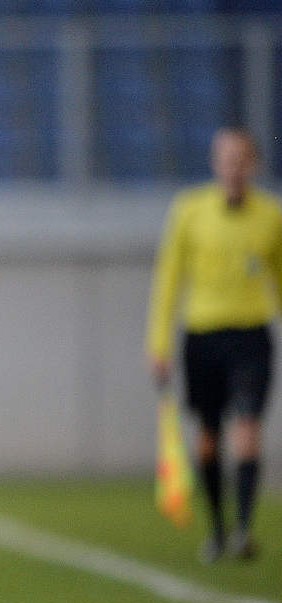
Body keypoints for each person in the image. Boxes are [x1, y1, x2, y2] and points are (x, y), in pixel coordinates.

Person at [146, 127, 282, 564]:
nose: (234, 165)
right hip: (203, 335)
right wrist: (159, 342)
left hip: (250, 335)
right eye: (226, 157)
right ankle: (218, 529)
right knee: (208, 436)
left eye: (242, 157)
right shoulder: (190, 210)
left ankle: (243, 528)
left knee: (247, 426)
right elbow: (169, 278)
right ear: (214, 162)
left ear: (254, 164)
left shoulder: (270, 216)